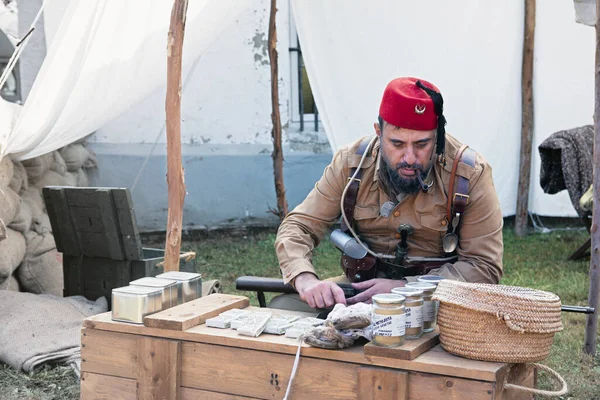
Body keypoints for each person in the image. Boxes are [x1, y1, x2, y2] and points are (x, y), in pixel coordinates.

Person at [273, 77, 503, 312]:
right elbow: (299, 226)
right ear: (378, 132)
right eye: (397, 143)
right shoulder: (351, 164)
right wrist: (305, 278)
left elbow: (484, 266)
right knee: (283, 308)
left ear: (438, 137)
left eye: (422, 144)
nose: (410, 158)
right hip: (361, 292)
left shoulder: (469, 174)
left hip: (437, 301)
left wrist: (404, 288)